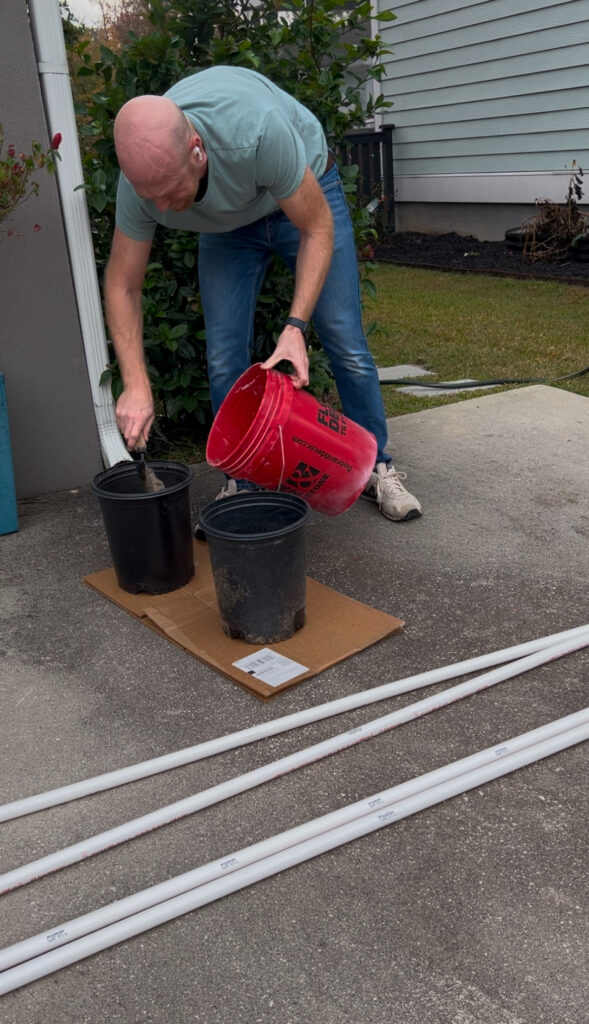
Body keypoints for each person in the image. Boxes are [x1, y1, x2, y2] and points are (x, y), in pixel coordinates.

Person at [105, 65, 422, 522]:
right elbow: (122, 282)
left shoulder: (255, 132)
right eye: (147, 195)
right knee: (223, 354)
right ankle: (242, 480)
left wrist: (295, 327)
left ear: (196, 152)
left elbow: (316, 228)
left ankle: (377, 466)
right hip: (228, 226)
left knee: (343, 337)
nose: (158, 208)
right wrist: (135, 383)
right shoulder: (143, 182)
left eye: (169, 192)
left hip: (305, 190)